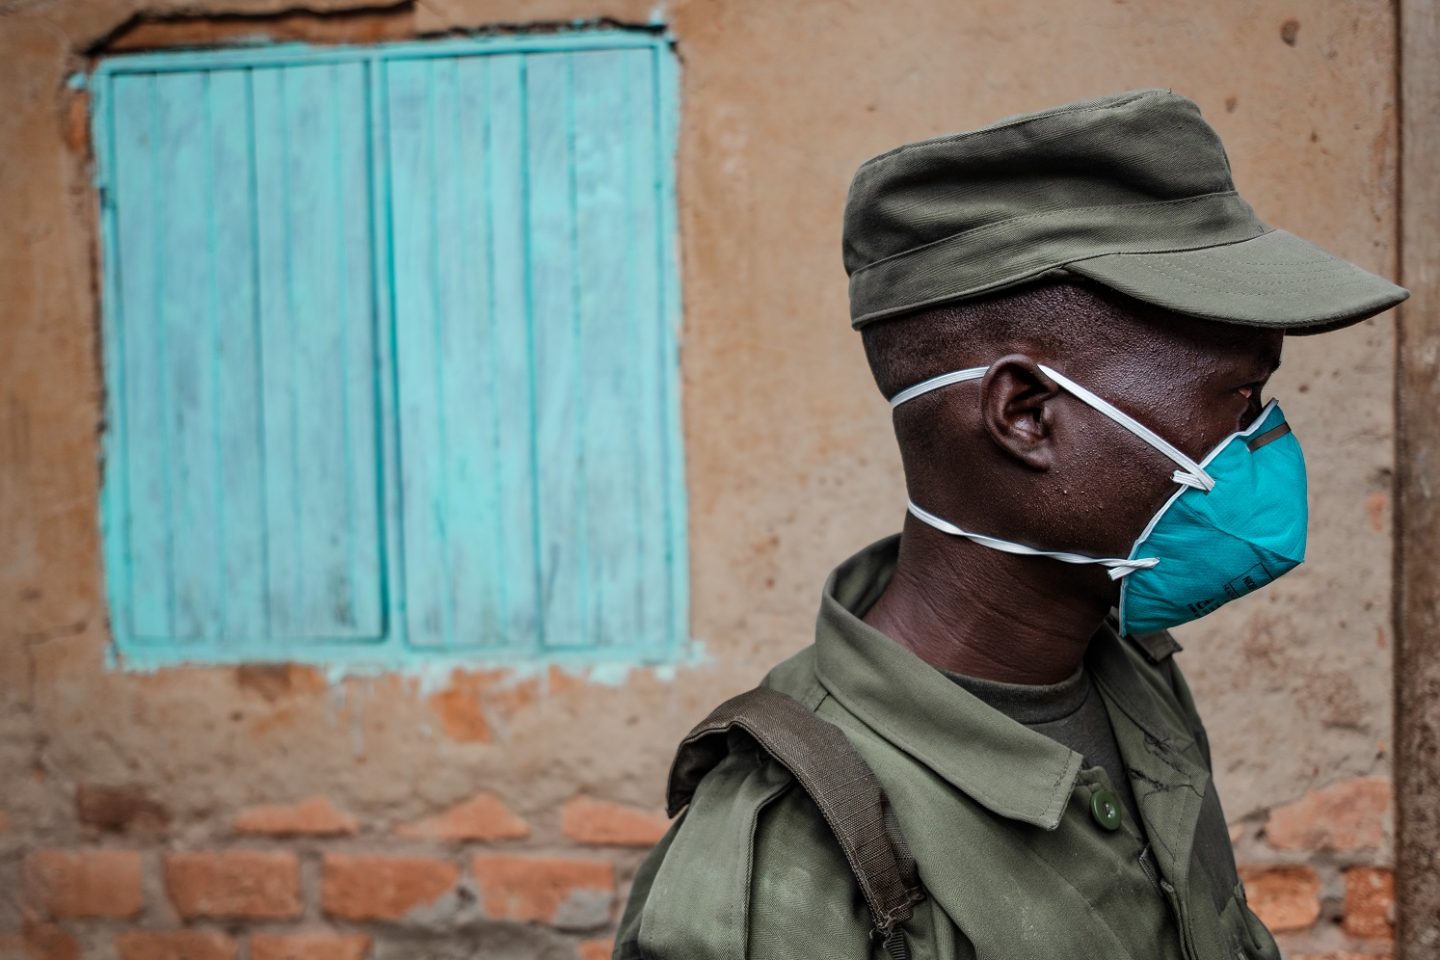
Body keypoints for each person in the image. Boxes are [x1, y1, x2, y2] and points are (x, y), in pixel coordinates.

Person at [613, 89, 1408, 960]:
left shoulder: (1130, 672)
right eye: (1238, 398)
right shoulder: (778, 877)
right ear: (1027, 413)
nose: (1264, 441)